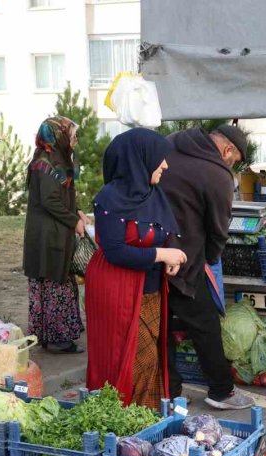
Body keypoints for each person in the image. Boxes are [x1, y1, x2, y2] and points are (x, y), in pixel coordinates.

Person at [84, 129, 187, 408]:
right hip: (117, 289)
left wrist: (169, 259)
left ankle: (145, 419)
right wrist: (161, 254)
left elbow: (165, 229)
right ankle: (125, 422)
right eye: (159, 158)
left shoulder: (154, 195)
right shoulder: (109, 199)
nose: (165, 165)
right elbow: (115, 250)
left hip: (150, 289)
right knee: (128, 356)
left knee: (150, 354)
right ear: (139, 159)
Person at [160, 124, 255, 410]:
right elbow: (218, 228)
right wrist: (210, 259)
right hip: (186, 256)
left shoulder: (171, 142)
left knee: (160, 324)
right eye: (234, 160)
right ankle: (221, 391)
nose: (232, 165)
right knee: (205, 324)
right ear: (227, 150)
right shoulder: (217, 173)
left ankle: (169, 389)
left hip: (150, 250)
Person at [23, 116, 88, 354]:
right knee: (55, 283)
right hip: (49, 236)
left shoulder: (55, 159)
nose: (75, 139)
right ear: (59, 136)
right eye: (72, 134)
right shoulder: (46, 163)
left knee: (53, 284)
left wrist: (78, 210)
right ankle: (58, 341)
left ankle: (51, 337)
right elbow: (51, 200)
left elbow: (64, 194)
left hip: (51, 233)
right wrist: (73, 222)